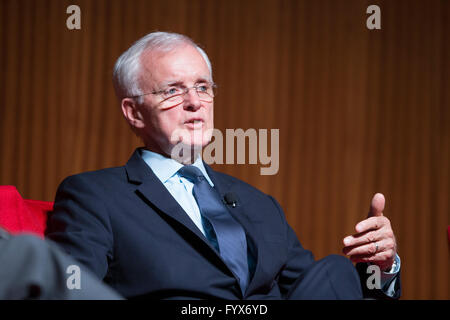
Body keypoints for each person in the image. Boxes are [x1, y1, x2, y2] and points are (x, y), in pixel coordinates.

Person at [45, 31, 401, 300]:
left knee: (338, 270)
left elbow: (314, 290)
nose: (194, 102)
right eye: (172, 90)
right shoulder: (94, 194)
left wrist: (381, 269)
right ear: (134, 112)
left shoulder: (260, 204)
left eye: (203, 87)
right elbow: (70, 291)